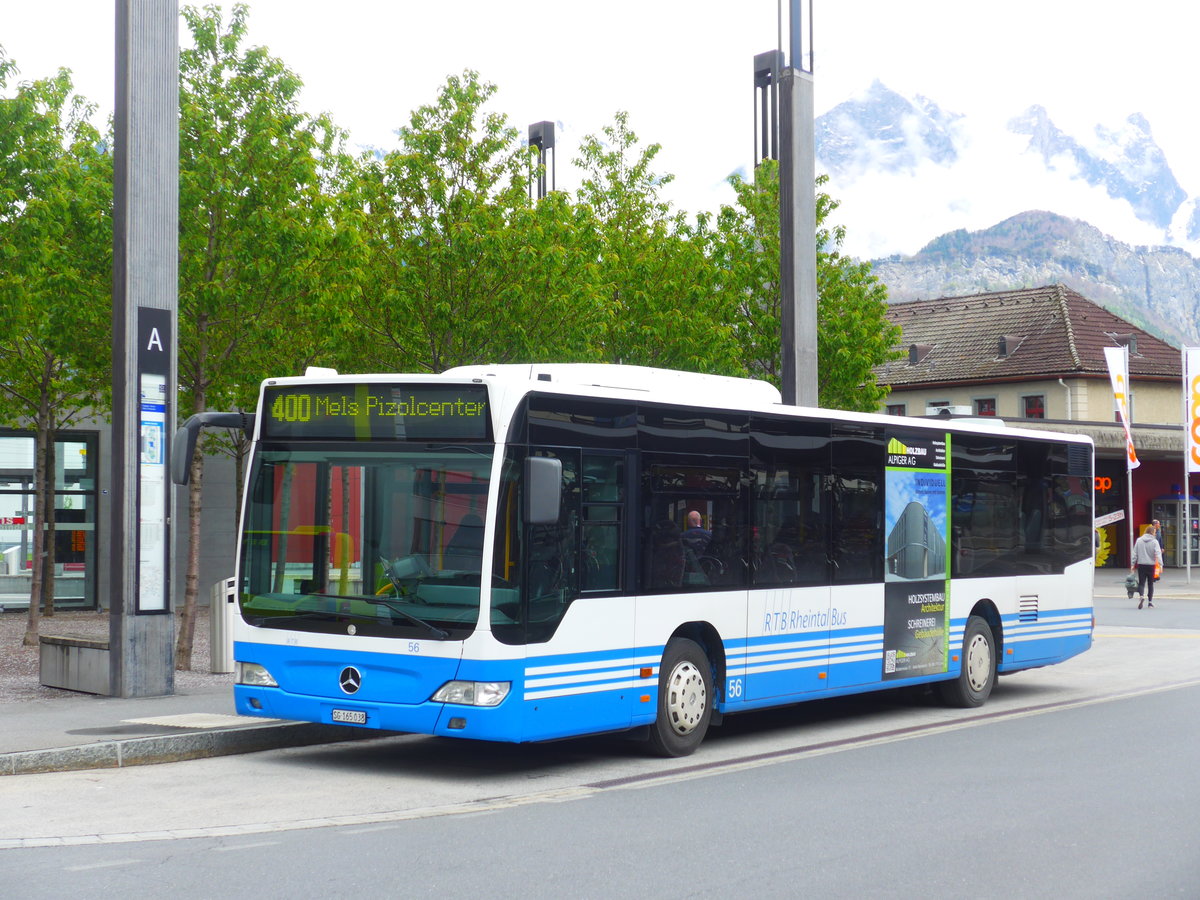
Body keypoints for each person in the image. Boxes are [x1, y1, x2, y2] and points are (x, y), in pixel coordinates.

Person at [1131, 524, 1164, 609]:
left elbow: (1135, 553)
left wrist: (1133, 564)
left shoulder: (1139, 540)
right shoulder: (1154, 542)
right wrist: (1160, 564)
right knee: (1150, 584)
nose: (1155, 534)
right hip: (1151, 565)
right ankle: (1150, 602)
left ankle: (1141, 596)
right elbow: (1158, 553)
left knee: (1141, 583)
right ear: (1151, 532)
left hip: (1141, 564)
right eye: (1155, 532)